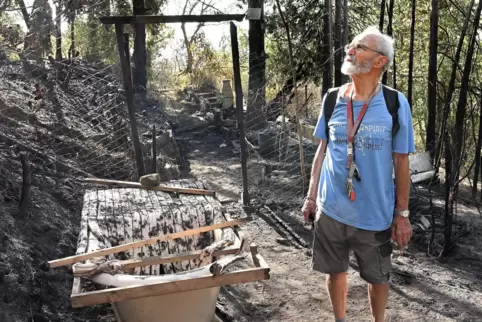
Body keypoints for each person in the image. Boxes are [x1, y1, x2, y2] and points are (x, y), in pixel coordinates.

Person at [301, 26, 415, 322]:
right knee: (335, 271)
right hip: (331, 210)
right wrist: (311, 197)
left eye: (360, 47)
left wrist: (402, 215)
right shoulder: (331, 99)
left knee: (378, 278)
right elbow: (322, 151)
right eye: (351, 45)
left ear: (380, 61)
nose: (350, 50)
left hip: (374, 214)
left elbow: (402, 162)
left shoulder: (394, 104)